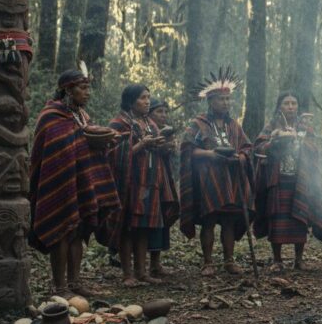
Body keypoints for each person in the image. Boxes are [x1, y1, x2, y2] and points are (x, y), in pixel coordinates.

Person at [28, 67, 120, 296]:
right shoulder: (51, 116)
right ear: (67, 90)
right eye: (82, 88)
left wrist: (105, 143)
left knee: (78, 230)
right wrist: (84, 140)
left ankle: (75, 282)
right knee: (62, 230)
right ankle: (59, 287)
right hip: (59, 183)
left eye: (89, 88)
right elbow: (56, 150)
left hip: (80, 182)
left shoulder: (80, 115)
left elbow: (84, 144)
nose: (87, 93)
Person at [179, 69, 254, 277]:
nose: (226, 103)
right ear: (211, 101)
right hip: (208, 179)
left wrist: (241, 157)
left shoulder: (234, 125)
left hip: (231, 180)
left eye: (229, 99)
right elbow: (187, 148)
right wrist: (210, 154)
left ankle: (229, 261)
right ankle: (208, 262)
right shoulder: (199, 123)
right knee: (210, 220)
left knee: (229, 220)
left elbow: (247, 147)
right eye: (221, 99)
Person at [108, 85, 179, 286]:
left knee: (144, 228)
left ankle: (142, 272)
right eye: (142, 98)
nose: (147, 101)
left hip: (150, 182)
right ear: (131, 101)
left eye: (148, 97)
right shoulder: (119, 123)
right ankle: (127, 275)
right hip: (129, 183)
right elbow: (112, 153)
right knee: (128, 227)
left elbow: (159, 150)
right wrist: (141, 145)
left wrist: (167, 146)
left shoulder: (150, 123)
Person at [253, 91, 322, 272]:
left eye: (294, 103)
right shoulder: (272, 126)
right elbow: (259, 147)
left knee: (300, 218)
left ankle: (299, 259)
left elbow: (314, 149)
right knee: (276, 218)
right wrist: (275, 140)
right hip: (277, 179)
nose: (290, 107)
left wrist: (298, 139)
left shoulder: (305, 127)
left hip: (300, 179)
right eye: (286, 103)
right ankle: (277, 260)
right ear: (280, 106)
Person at [146, 98, 177, 278]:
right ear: (150, 113)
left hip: (163, 178)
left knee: (163, 217)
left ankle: (155, 264)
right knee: (148, 219)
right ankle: (141, 266)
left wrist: (170, 147)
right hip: (148, 178)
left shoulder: (166, 131)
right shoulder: (145, 128)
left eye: (166, 112)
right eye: (159, 112)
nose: (163, 115)